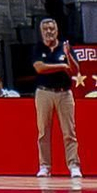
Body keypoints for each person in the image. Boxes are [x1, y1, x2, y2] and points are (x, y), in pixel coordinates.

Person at [31, 16, 83, 180]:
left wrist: (69, 57)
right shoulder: (38, 48)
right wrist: (61, 66)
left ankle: (74, 166)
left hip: (64, 93)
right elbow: (39, 68)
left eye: (51, 29)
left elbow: (74, 71)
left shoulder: (65, 47)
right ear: (41, 32)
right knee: (43, 132)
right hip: (44, 92)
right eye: (45, 29)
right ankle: (45, 166)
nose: (49, 32)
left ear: (57, 30)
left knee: (69, 132)